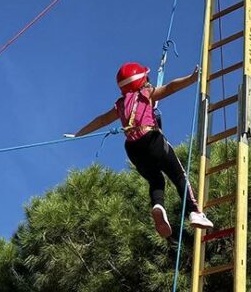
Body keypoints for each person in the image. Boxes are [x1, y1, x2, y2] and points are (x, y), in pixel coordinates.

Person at [70, 62, 214, 239]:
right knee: (178, 175)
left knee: (156, 180)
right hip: (151, 139)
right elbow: (170, 87)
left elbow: (101, 121)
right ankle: (194, 212)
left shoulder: (120, 105)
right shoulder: (146, 93)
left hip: (132, 149)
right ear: (142, 80)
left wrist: (79, 133)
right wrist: (192, 79)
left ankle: (158, 205)